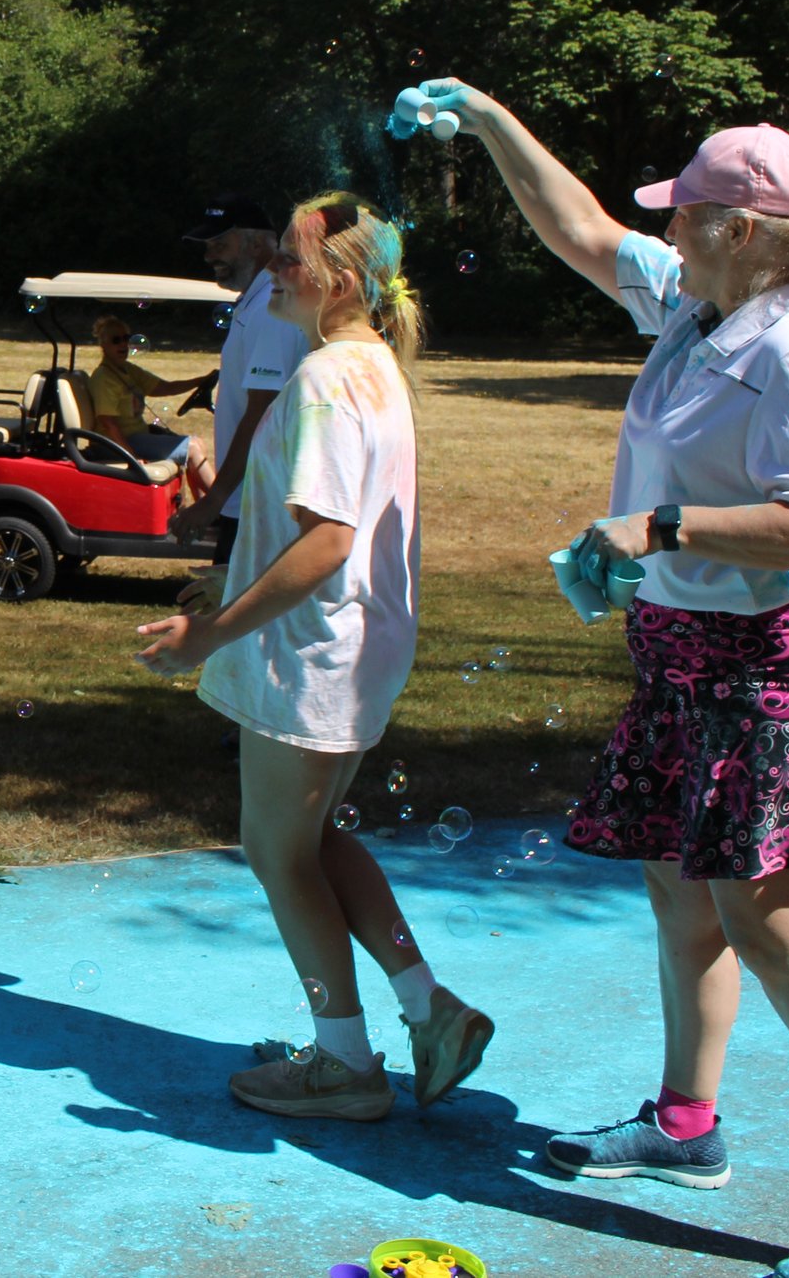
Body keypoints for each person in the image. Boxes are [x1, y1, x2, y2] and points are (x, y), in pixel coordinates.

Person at [417, 78, 789, 1278]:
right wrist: (491, 119)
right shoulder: (694, 305)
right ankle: (684, 1124)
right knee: (680, 893)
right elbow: (580, 229)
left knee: (779, 930)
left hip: (788, 660)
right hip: (689, 652)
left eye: (687, 211)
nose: (664, 228)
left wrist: (660, 530)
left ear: (745, 228)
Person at [134, 192, 493, 1123]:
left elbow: (329, 541)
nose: (272, 273)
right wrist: (232, 581)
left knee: (276, 851)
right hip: (350, 646)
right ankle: (431, 1010)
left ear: (337, 280)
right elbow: (327, 531)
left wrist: (209, 634)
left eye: (288, 260)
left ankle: (347, 1064)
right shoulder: (370, 367)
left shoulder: (330, 378)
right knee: (314, 840)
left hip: (311, 656)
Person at [168, 195, 309, 560]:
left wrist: (213, 500)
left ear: (259, 242)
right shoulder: (256, 299)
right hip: (248, 501)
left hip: (261, 506)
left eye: (220, 244)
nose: (209, 255)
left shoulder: (269, 308)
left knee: (228, 614)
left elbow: (261, 412)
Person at [85, 314, 214, 497]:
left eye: (126, 339)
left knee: (197, 443)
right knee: (191, 447)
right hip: (117, 443)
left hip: (137, 437)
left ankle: (203, 511)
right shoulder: (103, 378)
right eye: (116, 340)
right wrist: (131, 456)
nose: (123, 344)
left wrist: (199, 381)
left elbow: (162, 387)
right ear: (103, 345)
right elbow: (108, 423)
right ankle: (221, 508)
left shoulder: (127, 370)